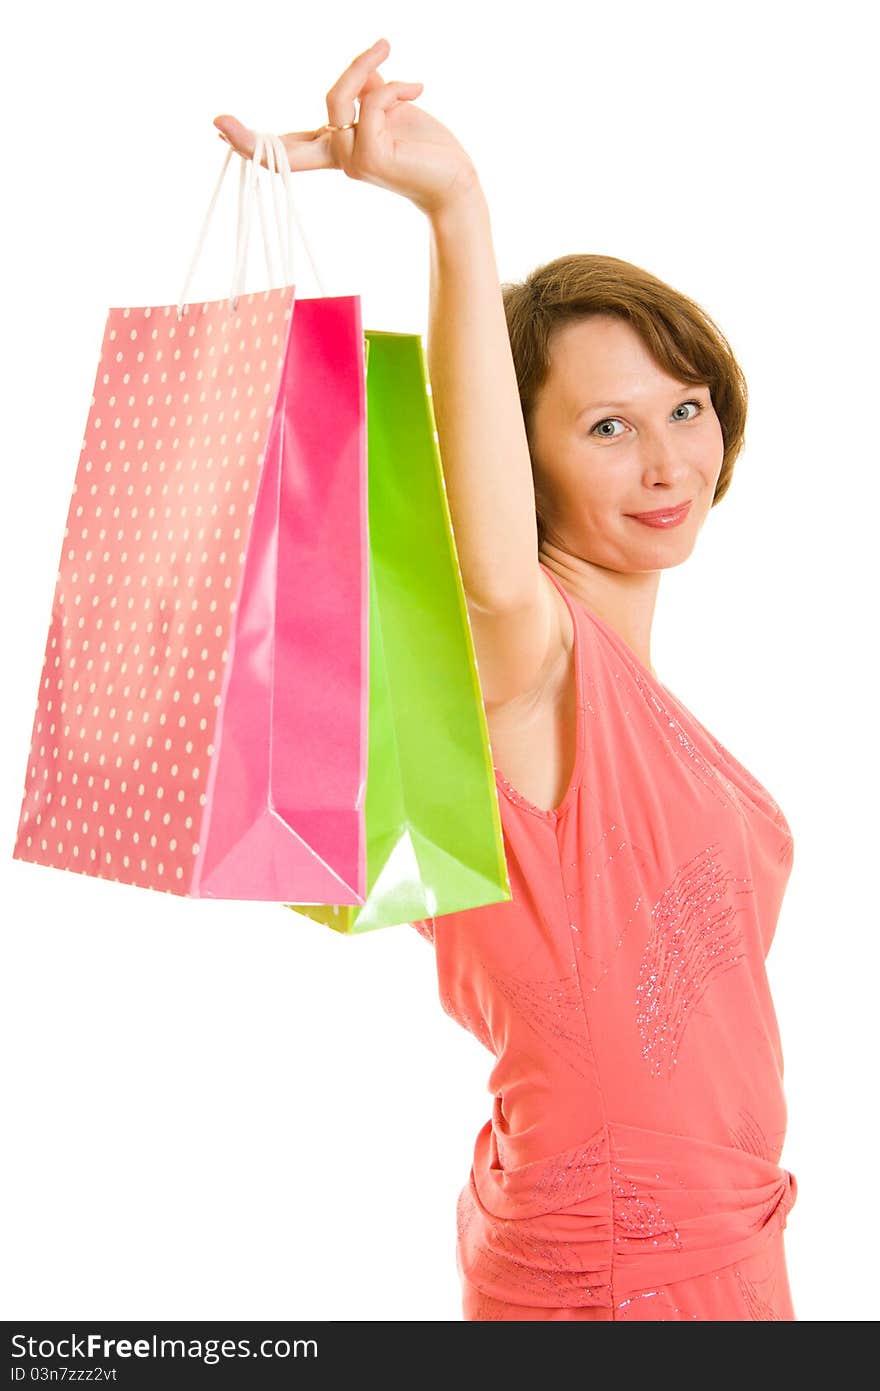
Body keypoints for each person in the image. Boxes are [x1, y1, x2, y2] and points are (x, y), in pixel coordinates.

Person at [214, 37, 798, 1321]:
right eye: (606, 425)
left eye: (685, 406)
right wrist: (454, 211)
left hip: (712, 1243)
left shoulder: (648, 698)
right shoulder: (529, 656)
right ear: (517, 463)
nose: (666, 460)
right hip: (614, 1270)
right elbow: (487, 574)